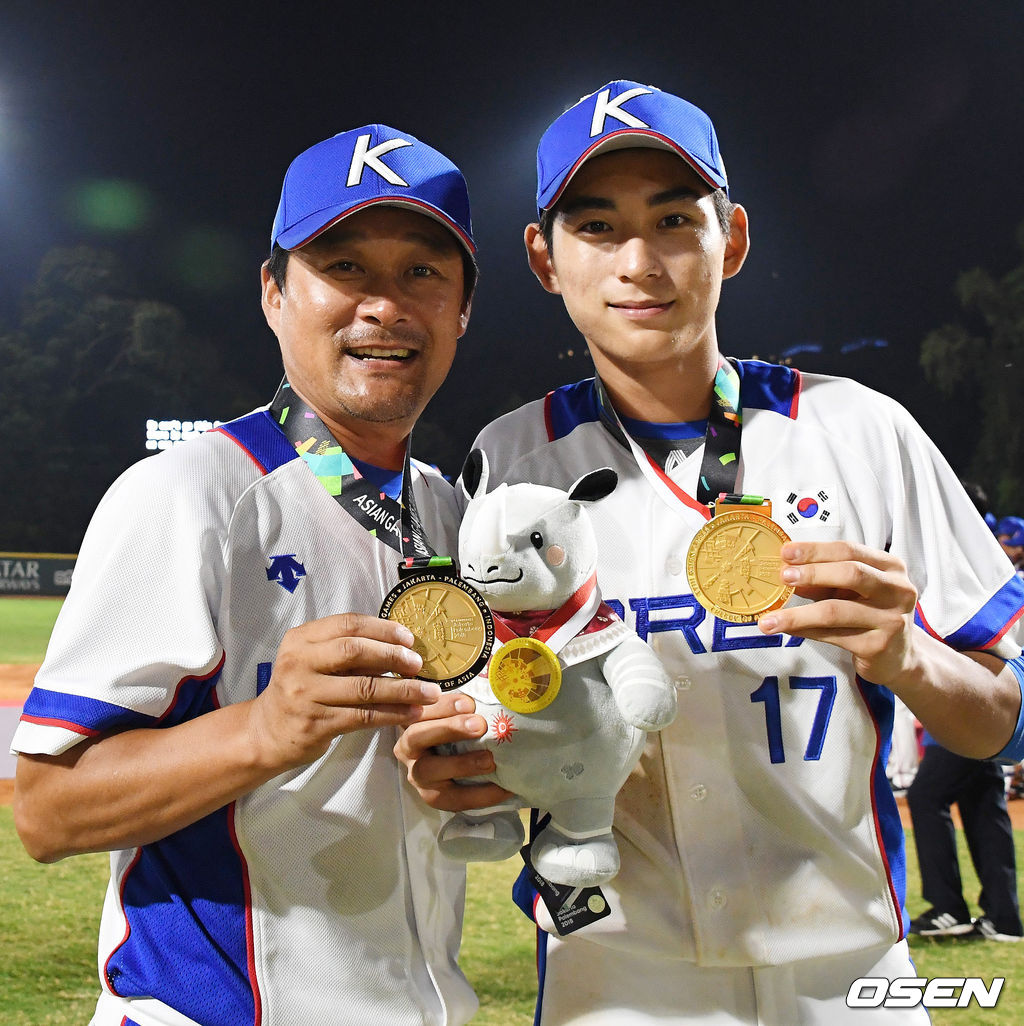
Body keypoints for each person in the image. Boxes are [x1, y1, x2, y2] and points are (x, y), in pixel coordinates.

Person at [396, 81, 1024, 1025]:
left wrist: (909, 657)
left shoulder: (858, 429)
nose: (639, 262)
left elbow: (994, 722)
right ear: (544, 258)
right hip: (616, 979)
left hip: (852, 973)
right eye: (598, 227)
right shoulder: (511, 461)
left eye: (675, 220)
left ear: (730, 237)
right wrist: (457, 757)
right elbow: (479, 705)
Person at [12, 124, 503, 1026]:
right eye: (344, 267)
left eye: (422, 273)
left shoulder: (453, 517)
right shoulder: (191, 492)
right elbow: (48, 810)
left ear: (463, 309)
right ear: (275, 294)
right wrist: (266, 728)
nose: (384, 306)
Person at [906, 482, 1022, 943]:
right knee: (983, 805)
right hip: (996, 706)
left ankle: (947, 908)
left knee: (925, 798)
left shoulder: (963, 565)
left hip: (974, 702)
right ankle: (1004, 918)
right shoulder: (989, 567)